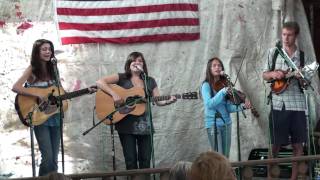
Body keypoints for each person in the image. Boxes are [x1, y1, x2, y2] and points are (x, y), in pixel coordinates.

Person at [12, 39, 95, 176]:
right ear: (37, 52)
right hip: (40, 116)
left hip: (55, 116)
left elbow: (60, 93)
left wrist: (86, 90)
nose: (47, 52)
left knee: (55, 159)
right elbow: (16, 87)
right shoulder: (32, 68)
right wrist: (37, 93)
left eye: (49, 49)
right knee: (48, 157)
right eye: (44, 49)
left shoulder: (54, 68)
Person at [96, 52, 176, 175]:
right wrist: (114, 94)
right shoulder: (121, 77)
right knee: (131, 162)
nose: (137, 62)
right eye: (134, 60)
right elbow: (100, 82)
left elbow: (158, 100)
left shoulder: (149, 81)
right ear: (129, 64)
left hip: (146, 127)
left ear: (143, 65)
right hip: (126, 127)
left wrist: (168, 102)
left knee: (145, 162)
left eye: (140, 60)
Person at [262, 21, 312, 179]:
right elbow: (264, 74)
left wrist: (301, 77)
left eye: (289, 35)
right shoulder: (274, 52)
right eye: (284, 34)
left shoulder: (303, 57)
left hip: (297, 104)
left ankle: (294, 178)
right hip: (279, 104)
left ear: (296, 35)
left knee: (298, 145)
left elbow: (306, 84)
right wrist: (274, 74)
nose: (286, 38)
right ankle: (271, 177)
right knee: (275, 144)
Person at [200, 57, 251, 157]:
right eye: (214, 65)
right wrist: (222, 92)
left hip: (227, 124)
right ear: (209, 69)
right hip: (214, 125)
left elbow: (228, 108)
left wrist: (242, 106)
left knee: (226, 156)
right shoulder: (206, 85)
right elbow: (209, 104)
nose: (217, 67)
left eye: (219, 65)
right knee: (218, 157)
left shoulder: (224, 84)